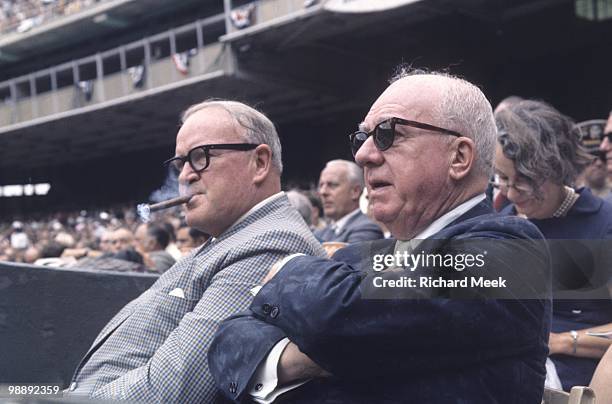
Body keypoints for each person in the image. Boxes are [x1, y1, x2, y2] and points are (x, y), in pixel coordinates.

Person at [209, 70, 551, 403]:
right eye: (363, 138)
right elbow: (228, 340)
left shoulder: (514, 250)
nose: (363, 155)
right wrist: (298, 359)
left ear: (458, 157)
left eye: (389, 134)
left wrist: (289, 268)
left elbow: (336, 314)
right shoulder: (357, 258)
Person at [67, 100, 325, 402]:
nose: (184, 176)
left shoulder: (270, 242)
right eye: (180, 163)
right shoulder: (234, 237)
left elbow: (171, 391)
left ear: (260, 163)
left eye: (201, 157)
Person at [494, 99, 612, 390]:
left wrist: (559, 341)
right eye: (503, 179)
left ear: (556, 169)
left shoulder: (602, 225)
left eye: (522, 181)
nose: (510, 193)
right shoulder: (503, 223)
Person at [314, 159, 383, 243]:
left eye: (332, 185)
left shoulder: (367, 229)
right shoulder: (319, 233)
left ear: (355, 192)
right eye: (321, 185)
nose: (323, 192)